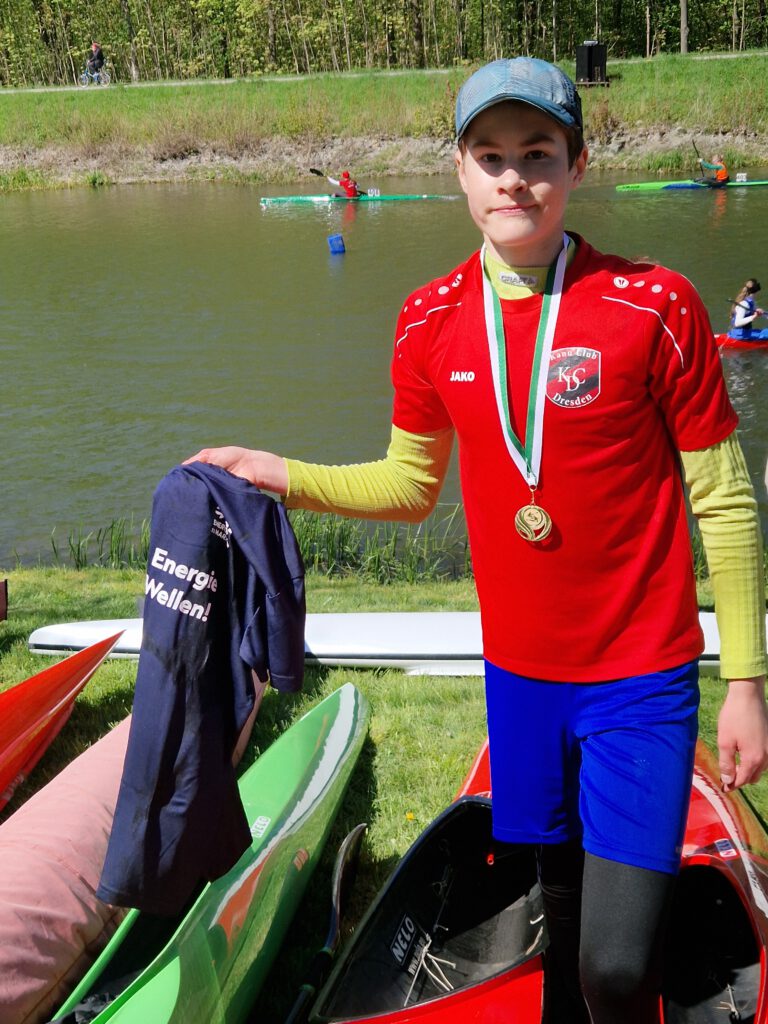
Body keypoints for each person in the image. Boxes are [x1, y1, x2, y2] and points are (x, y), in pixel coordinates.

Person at [185, 57, 768, 1022]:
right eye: (489, 156)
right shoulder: (428, 319)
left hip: (639, 680)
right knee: (563, 915)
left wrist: (745, 680)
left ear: (577, 164)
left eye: (537, 153)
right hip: (523, 678)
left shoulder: (655, 304)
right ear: (459, 170)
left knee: (619, 968)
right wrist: (277, 471)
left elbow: (727, 502)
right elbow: (409, 485)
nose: (514, 178)